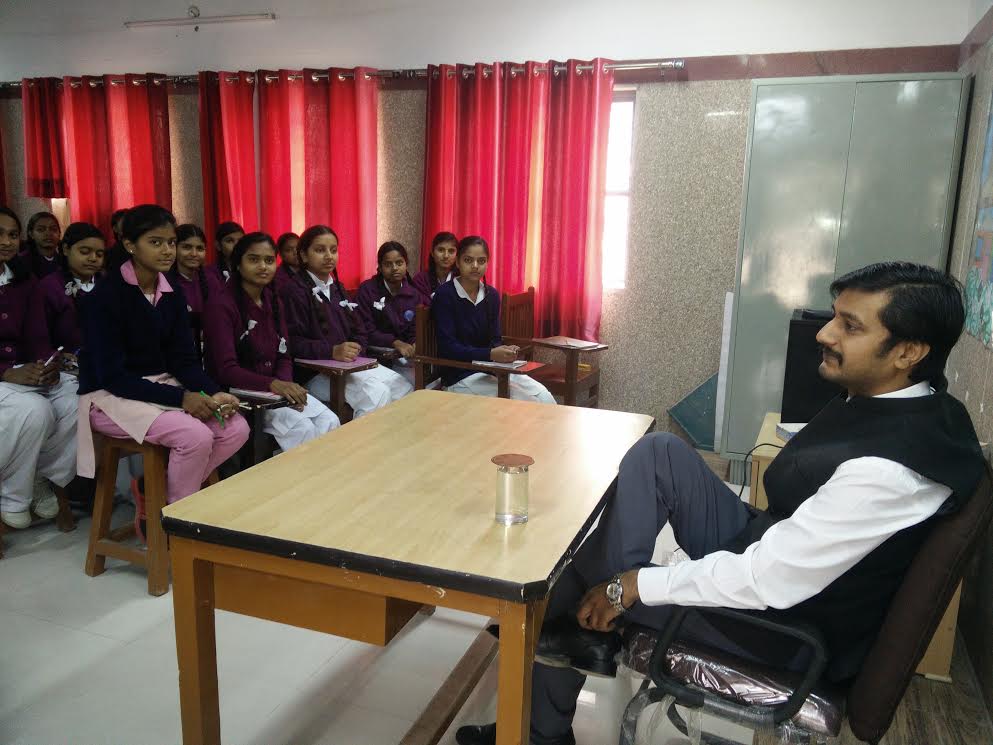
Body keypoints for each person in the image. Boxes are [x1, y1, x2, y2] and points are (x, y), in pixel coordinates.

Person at [456, 262, 986, 745]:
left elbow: (770, 581)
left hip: (781, 628)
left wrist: (633, 584)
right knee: (659, 452)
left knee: (573, 582)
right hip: (769, 546)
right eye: (835, 317)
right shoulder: (909, 402)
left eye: (851, 326)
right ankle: (578, 637)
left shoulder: (889, 471)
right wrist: (628, 577)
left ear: (908, 352)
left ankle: (542, 725)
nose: (824, 333)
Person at [77, 205, 248, 540]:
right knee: (194, 435)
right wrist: (182, 398)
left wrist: (212, 392)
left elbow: (183, 360)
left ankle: (163, 506)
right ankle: (178, 528)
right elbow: (112, 376)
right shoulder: (104, 297)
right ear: (129, 245)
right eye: (156, 242)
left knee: (235, 428)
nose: (168, 250)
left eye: (170, 242)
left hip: (159, 389)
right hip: (109, 397)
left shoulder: (170, 292)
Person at [203, 232, 339, 451]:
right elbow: (226, 370)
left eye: (268, 260)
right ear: (238, 264)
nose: (263, 266)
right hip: (239, 395)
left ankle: (322, 481)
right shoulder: (221, 305)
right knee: (301, 428)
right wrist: (274, 386)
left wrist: (285, 385)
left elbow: (284, 354)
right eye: (253, 260)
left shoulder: (272, 300)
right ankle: (297, 485)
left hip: (273, 391)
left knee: (330, 421)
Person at [0, 207, 78, 529]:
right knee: (36, 410)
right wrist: (6, 371)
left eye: (11, 234)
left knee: (79, 398)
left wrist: (47, 364)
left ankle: (37, 473)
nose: (6, 241)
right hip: (6, 374)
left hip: (23, 370)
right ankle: (14, 495)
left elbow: (37, 335)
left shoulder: (24, 279)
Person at [283, 225, 412, 417]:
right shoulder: (294, 291)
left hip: (349, 365)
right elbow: (292, 342)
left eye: (333, 250)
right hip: (314, 373)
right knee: (376, 394)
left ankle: (388, 443)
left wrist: (356, 347)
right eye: (320, 250)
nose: (329, 256)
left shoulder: (338, 289)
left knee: (402, 388)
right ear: (303, 255)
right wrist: (332, 351)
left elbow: (359, 329)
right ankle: (360, 447)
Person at [432, 236, 554, 404]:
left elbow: (495, 340)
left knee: (544, 396)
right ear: (458, 262)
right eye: (468, 260)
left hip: (491, 370)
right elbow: (448, 348)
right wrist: (490, 354)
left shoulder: (492, 295)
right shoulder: (445, 295)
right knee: (524, 402)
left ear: (487, 263)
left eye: (481, 261)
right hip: (460, 375)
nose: (475, 266)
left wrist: (505, 351)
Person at [35, 222, 106, 365]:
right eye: (85, 252)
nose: (93, 258)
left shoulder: (108, 284)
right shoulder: (49, 287)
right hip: (65, 366)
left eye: (99, 254)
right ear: (66, 249)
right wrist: (57, 356)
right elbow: (38, 337)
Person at [355, 241, 420, 387]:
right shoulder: (367, 290)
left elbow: (414, 329)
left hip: (404, 357)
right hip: (375, 355)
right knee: (403, 387)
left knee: (425, 382)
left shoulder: (413, 294)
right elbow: (365, 330)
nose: (394, 268)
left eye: (399, 263)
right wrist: (395, 342)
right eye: (388, 264)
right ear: (380, 267)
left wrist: (415, 342)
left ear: (406, 264)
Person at [169, 223, 210, 361]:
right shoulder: (164, 283)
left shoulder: (212, 281)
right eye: (187, 247)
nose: (194, 254)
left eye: (199, 248)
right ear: (174, 248)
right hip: (178, 355)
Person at [411, 230, 458, 303]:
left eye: (451, 251)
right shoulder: (420, 280)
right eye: (441, 250)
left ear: (457, 255)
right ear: (432, 253)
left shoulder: (463, 280)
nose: (446, 256)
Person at [205, 221, 245, 294]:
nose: (237, 245)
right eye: (230, 241)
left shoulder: (249, 269)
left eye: (240, 241)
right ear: (218, 246)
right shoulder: (209, 274)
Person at [20, 211, 62, 279]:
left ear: (59, 233)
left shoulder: (65, 261)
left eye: (53, 229)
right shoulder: (21, 262)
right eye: (41, 230)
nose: (48, 233)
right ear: (31, 234)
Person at [104, 207, 131, 272]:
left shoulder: (142, 248)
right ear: (115, 228)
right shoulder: (109, 254)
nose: (130, 225)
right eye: (125, 223)